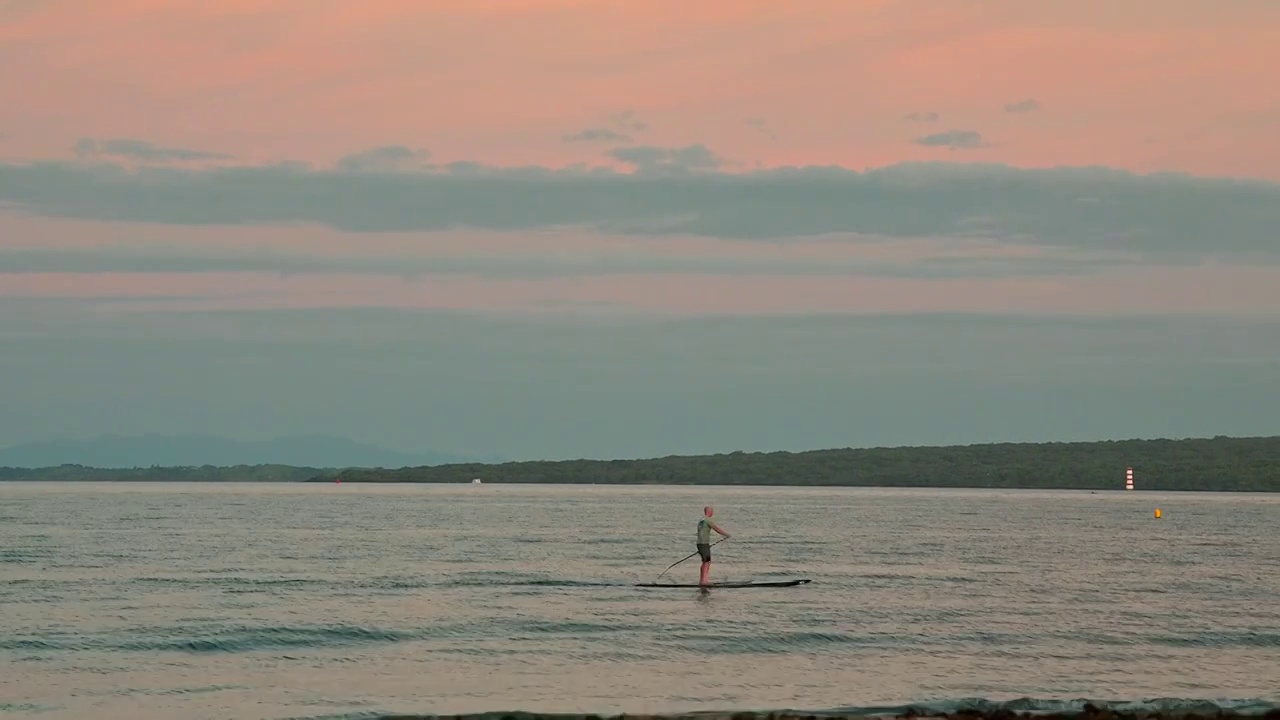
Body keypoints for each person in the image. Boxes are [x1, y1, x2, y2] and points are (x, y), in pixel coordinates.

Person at [696, 505, 730, 585]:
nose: (713, 513)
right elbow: (716, 529)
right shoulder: (708, 520)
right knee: (707, 562)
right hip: (704, 544)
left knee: (705, 561)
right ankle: (704, 581)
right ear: (709, 511)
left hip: (700, 544)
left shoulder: (701, 519)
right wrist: (727, 535)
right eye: (712, 511)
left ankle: (703, 580)